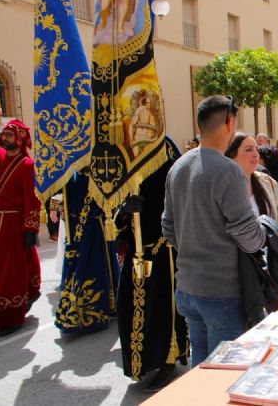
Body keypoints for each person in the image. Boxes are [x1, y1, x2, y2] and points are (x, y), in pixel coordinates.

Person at [162, 96, 266, 368]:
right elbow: (248, 235)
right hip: (221, 292)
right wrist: (265, 233)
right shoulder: (227, 171)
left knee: (201, 364)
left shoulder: (179, 166)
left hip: (187, 287)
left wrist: (192, 244)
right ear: (230, 123)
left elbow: (168, 226)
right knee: (223, 372)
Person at [115, 139, 188, 391]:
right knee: (129, 307)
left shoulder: (165, 151)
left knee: (160, 310)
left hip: (162, 248)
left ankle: (167, 362)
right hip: (136, 251)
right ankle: (142, 363)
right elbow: (116, 210)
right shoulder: (125, 159)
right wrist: (123, 212)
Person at [55, 169, 119, 334]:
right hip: (85, 230)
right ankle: (83, 313)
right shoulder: (73, 175)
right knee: (84, 266)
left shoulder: (84, 173)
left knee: (87, 266)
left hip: (91, 230)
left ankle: (96, 310)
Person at [0, 120, 41, 337]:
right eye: (3, 134)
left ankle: (12, 315)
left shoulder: (26, 164)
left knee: (11, 270)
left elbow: (31, 199)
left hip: (14, 224)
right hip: (0, 222)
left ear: (19, 138)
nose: (4, 138)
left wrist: (30, 228)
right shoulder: (1, 159)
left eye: (9, 135)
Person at [225, 133, 278, 242]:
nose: (255, 154)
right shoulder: (222, 187)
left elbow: (277, 217)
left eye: (256, 149)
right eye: (249, 149)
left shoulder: (268, 182)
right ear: (232, 155)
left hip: (266, 254)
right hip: (234, 256)